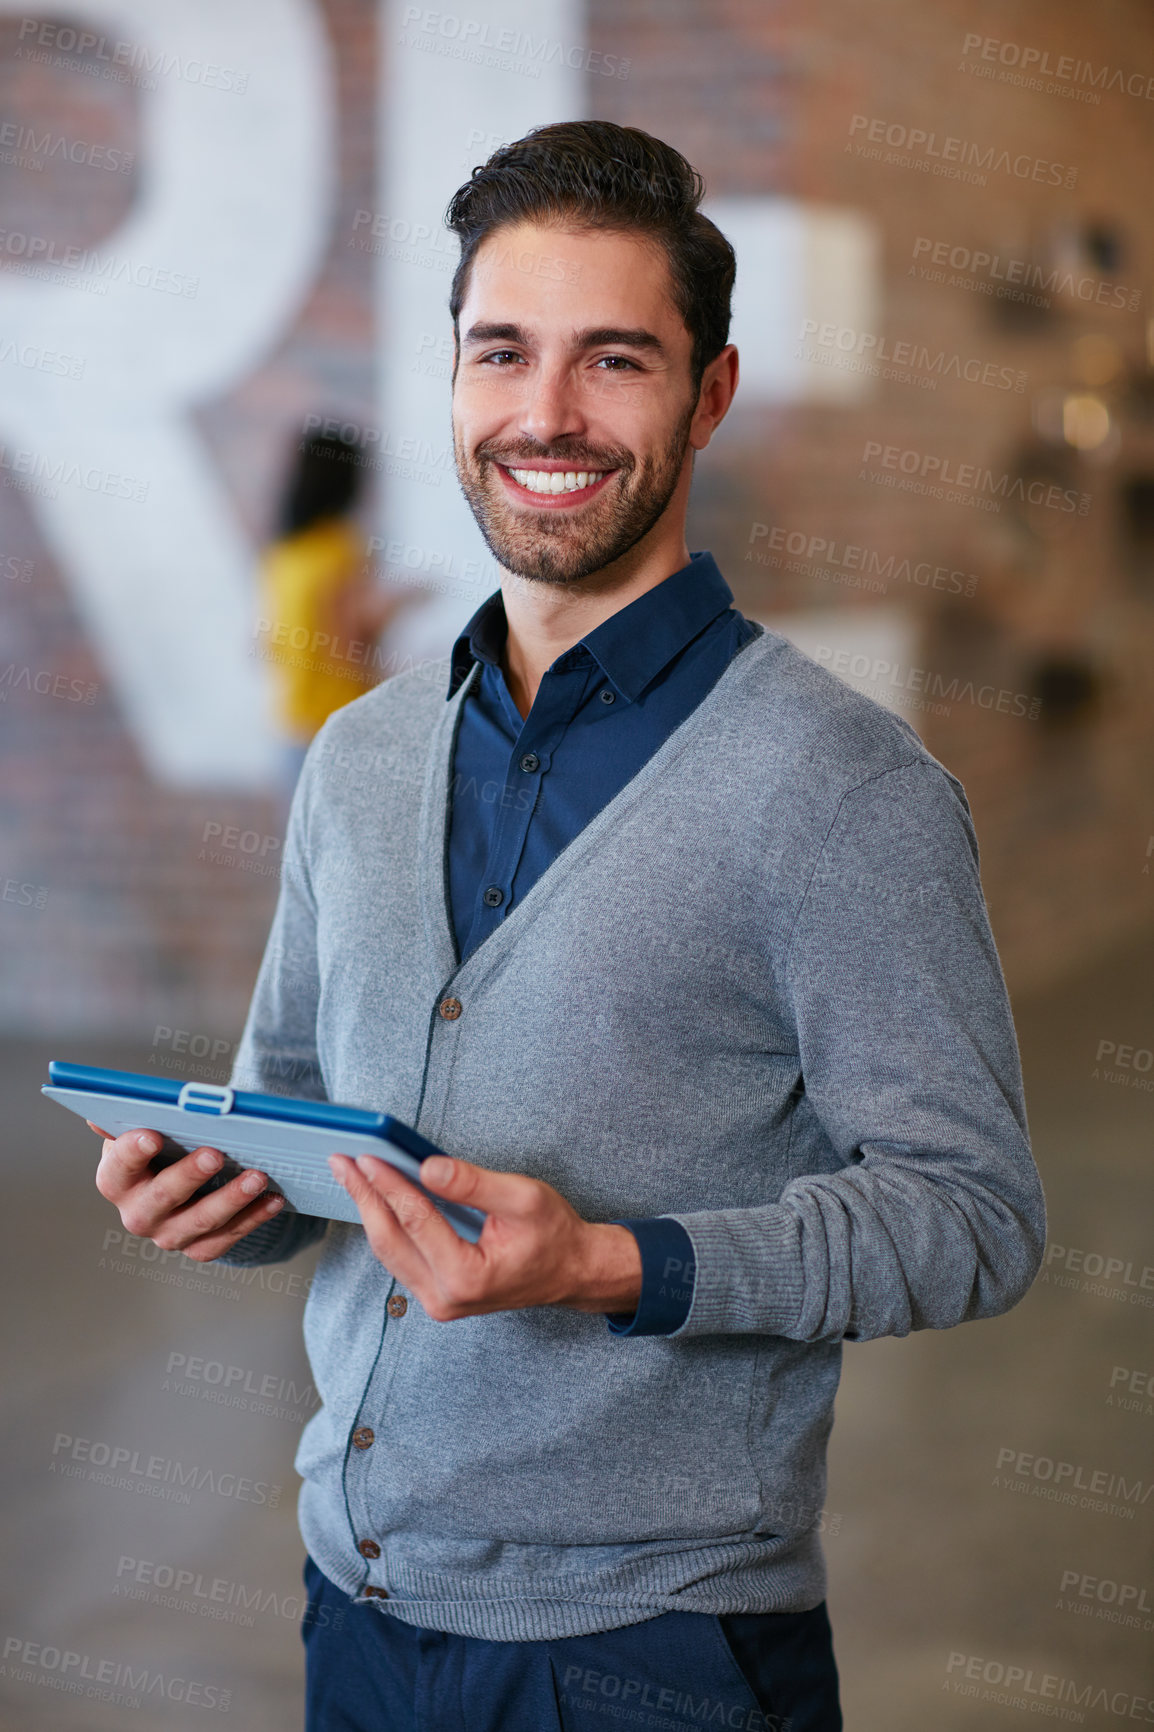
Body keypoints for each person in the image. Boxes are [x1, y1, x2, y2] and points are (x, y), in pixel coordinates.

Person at [93, 121, 1046, 1731]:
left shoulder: (841, 791)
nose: (545, 415)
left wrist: (610, 1264)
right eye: (501, 354)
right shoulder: (360, 755)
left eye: (614, 360)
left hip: (656, 1652)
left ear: (709, 393)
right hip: (358, 1609)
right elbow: (300, 1113)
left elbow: (973, 1217)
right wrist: (222, 1195)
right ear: (451, 380)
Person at [258, 427, 412, 791]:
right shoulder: (342, 548)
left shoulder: (283, 552)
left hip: (293, 723)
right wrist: (403, 600)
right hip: (343, 723)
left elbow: (267, 645)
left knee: (302, 845)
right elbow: (353, 640)